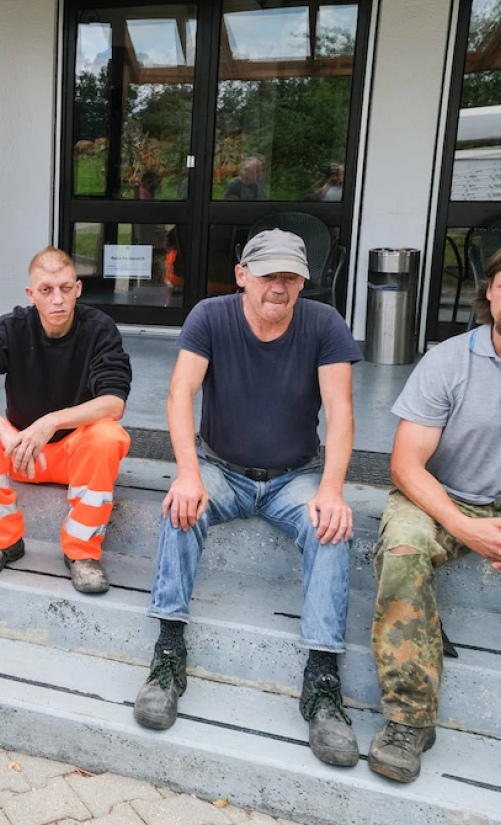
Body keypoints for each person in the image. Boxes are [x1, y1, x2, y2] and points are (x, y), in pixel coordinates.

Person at [134, 229, 363, 768]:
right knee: (179, 508)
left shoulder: (323, 323)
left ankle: (323, 680)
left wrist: (332, 490)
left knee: (331, 526)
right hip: (221, 469)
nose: (278, 288)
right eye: (268, 276)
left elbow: (342, 412)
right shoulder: (210, 317)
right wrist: (187, 473)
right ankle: (168, 652)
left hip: (295, 477)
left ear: (304, 280)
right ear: (242, 275)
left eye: (290, 277)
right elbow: (178, 396)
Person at [368, 233, 501, 783]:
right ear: (490, 290)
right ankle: (409, 719)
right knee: (404, 549)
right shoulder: (448, 360)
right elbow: (406, 465)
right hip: (442, 496)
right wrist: (465, 527)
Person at [0, 247, 133, 594]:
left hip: (73, 458)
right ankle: (1, 542)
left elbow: (113, 402)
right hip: (21, 453)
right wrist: (5, 432)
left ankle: (81, 553)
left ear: (78, 288)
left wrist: (50, 421)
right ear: (31, 294)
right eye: (46, 290)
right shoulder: (12, 327)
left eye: (65, 288)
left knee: (108, 435)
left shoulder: (99, 330)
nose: (57, 299)